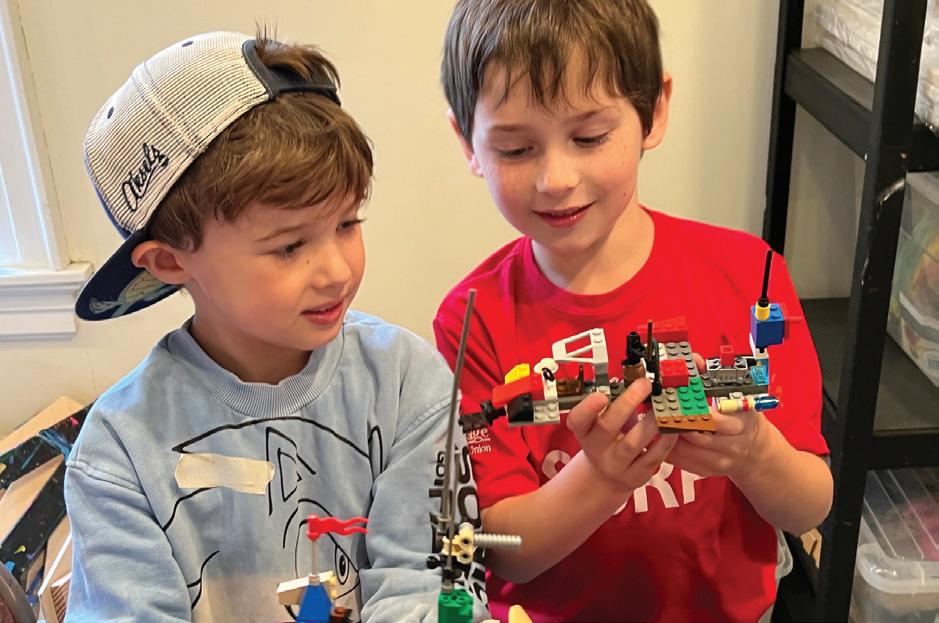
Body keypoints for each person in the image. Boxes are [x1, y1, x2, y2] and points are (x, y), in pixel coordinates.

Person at [65, 30, 486, 622]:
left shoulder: (406, 383)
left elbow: (428, 582)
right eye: (289, 247)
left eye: (347, 224)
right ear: (170, 263)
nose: (337, 271)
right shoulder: (119, 451)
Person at [433, 2, 833, 621]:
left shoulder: (749, 276)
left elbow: (810, 505)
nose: (555, 179)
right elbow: (503, 551)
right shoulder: (471, 320)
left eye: (589, 137)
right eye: (515, 149)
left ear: (655, 110)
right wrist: (603, 477)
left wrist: (755, 453)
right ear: (468, 141)